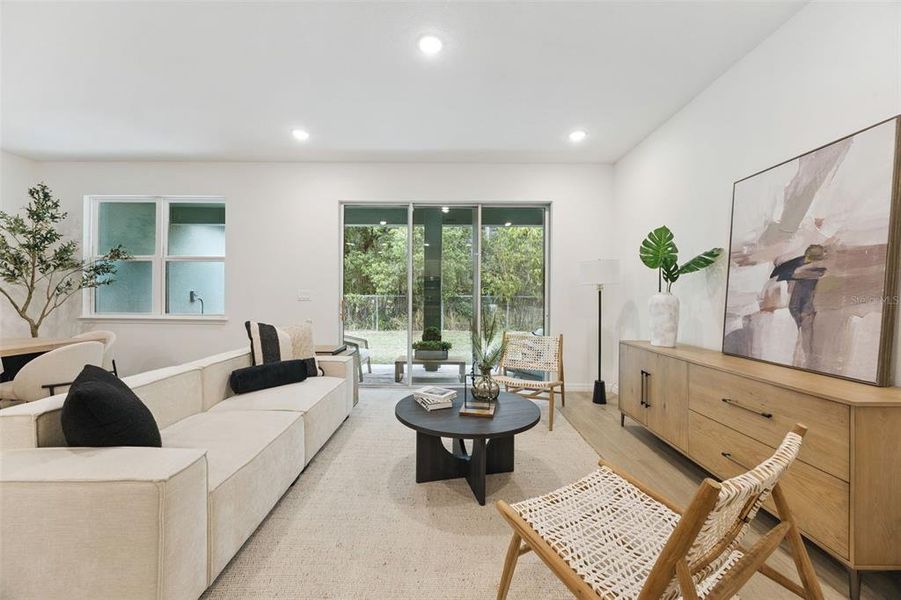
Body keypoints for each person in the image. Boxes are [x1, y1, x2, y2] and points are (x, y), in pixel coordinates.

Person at [769, 244, 827, 366]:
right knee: (802, 335)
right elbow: (792, 275)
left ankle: (807, 361)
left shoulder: (811, 268)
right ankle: (805, 360)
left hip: (805, 307)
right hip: (800, 307)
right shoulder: (797, 269)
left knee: (805, 335)